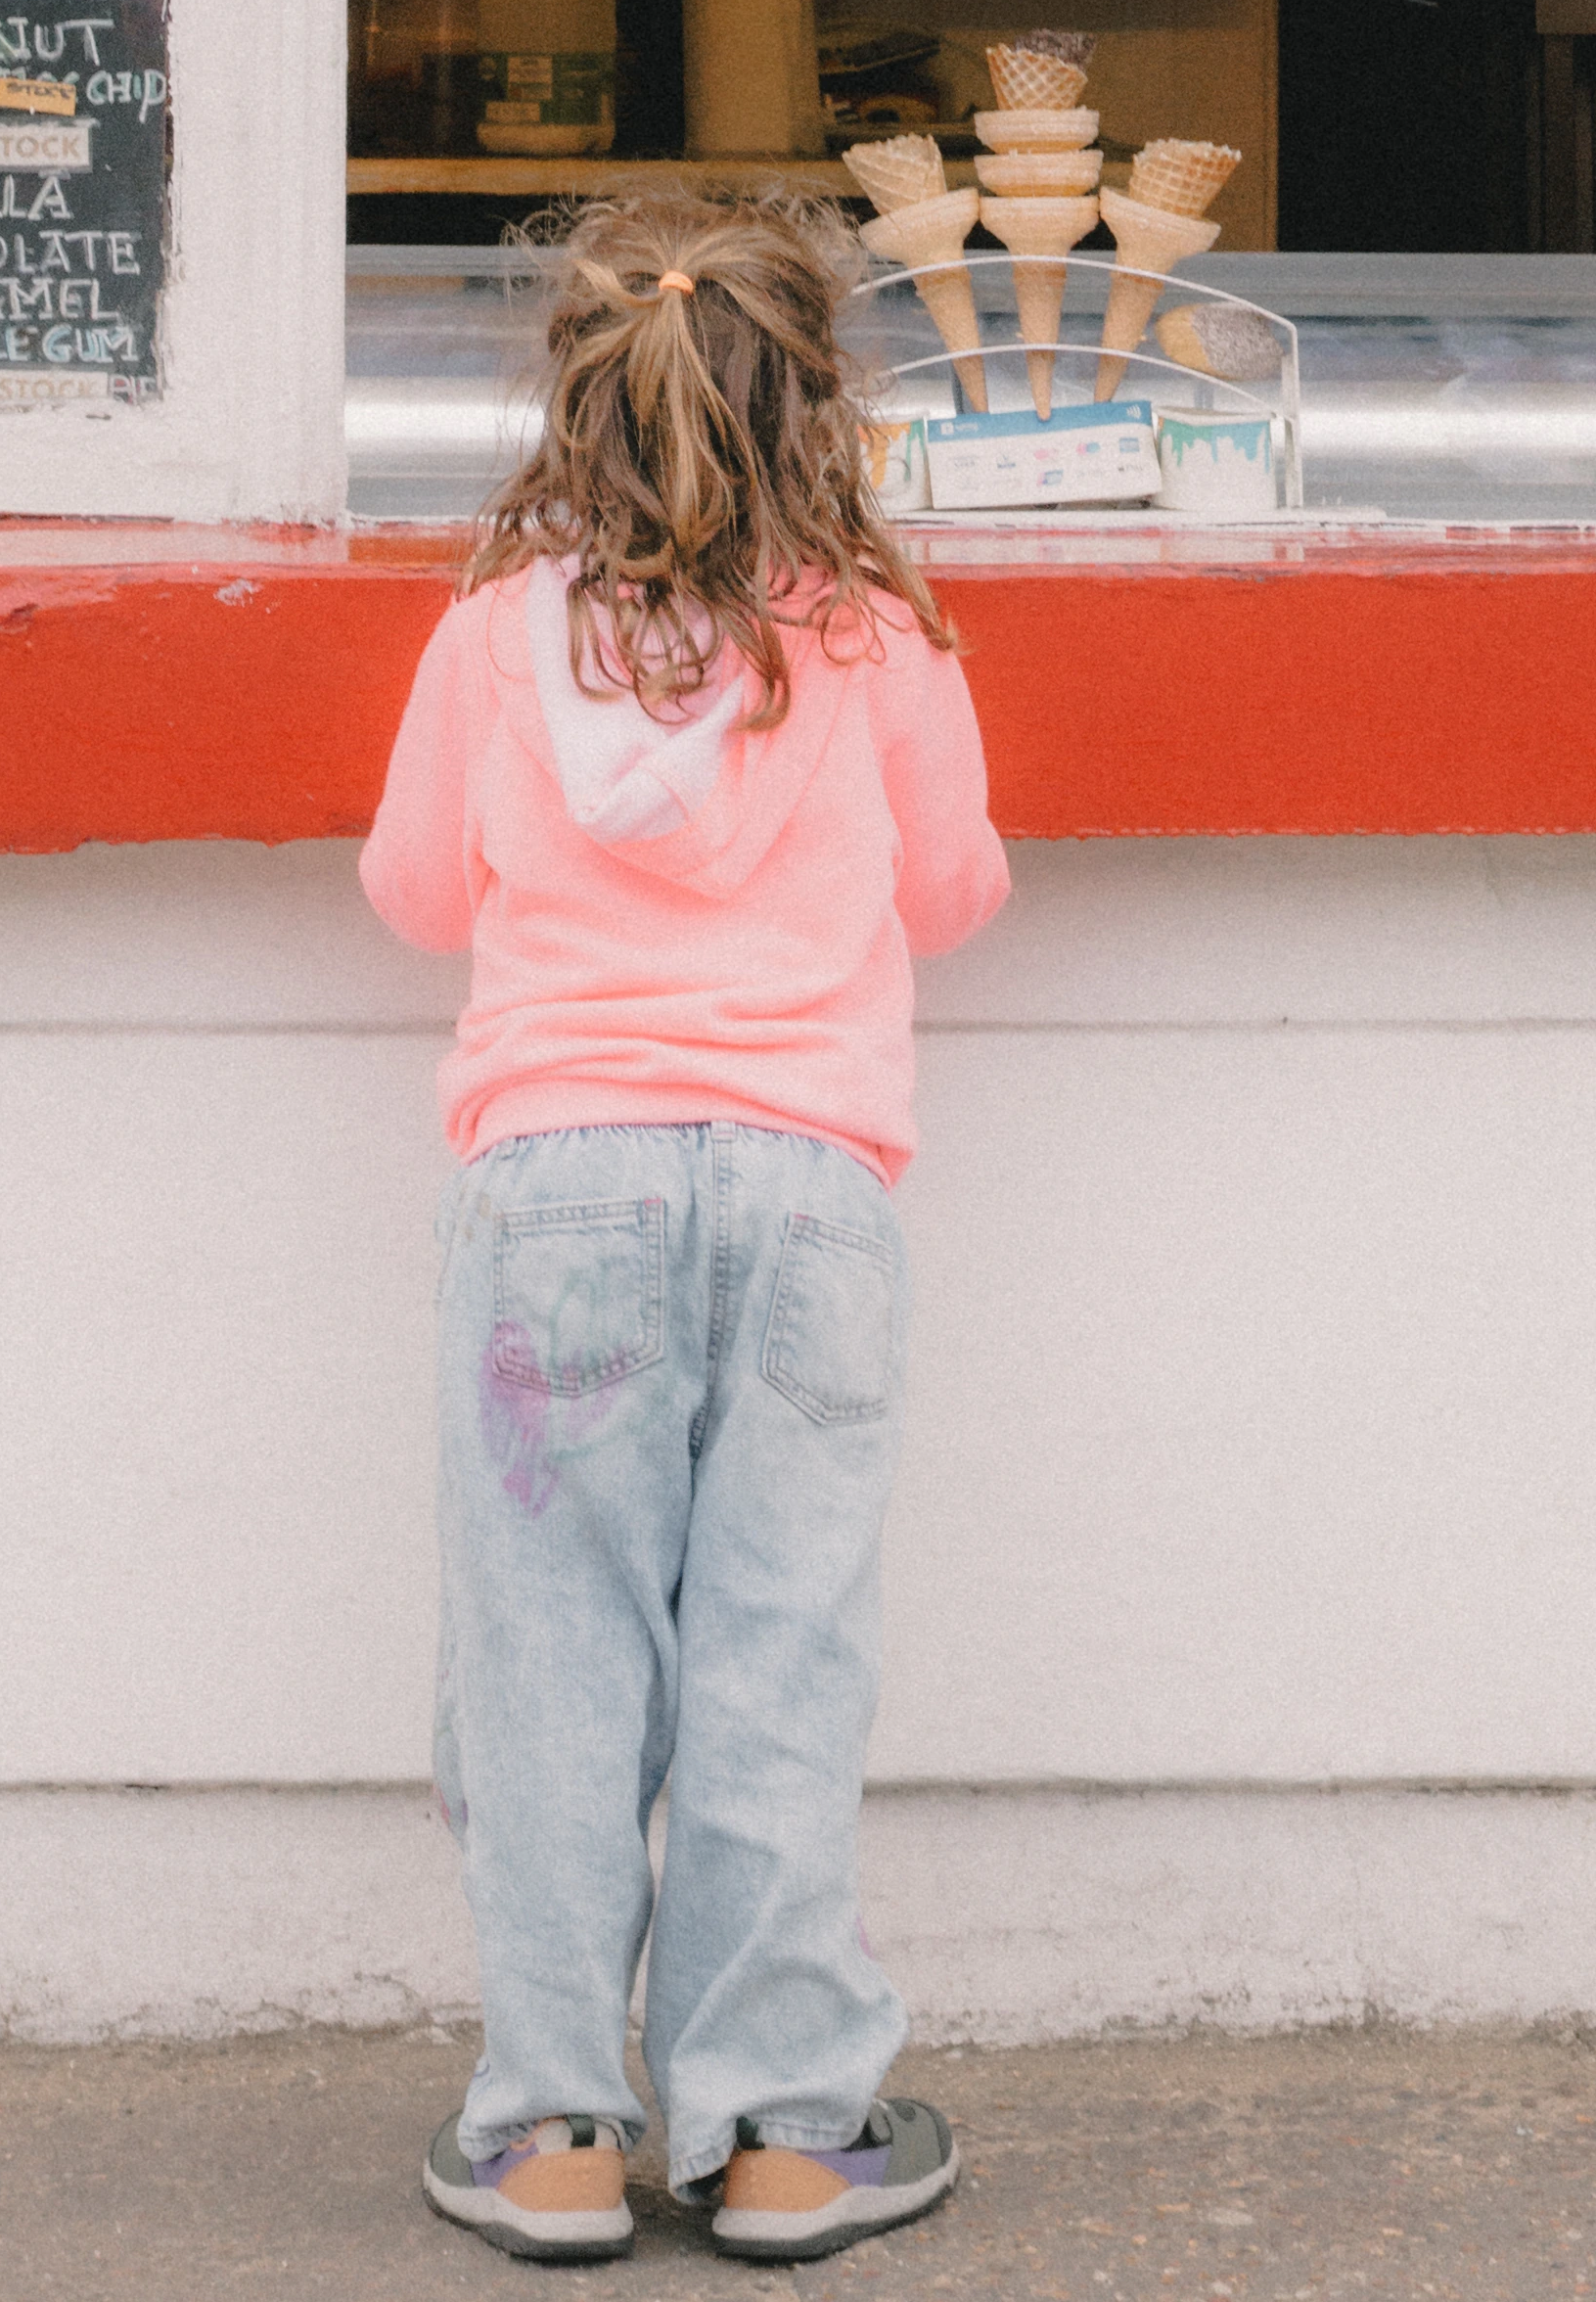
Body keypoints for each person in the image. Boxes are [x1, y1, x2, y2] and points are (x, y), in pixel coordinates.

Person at [364, 182, 1009, 2265]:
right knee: (776, 1662)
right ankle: (782, 2133)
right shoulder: (872, 632)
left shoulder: (492, 635)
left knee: (547, 1665)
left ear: (574, 401)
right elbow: (950, 893)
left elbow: (414, 893)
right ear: (817, 405)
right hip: (811, 1189)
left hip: (555, 1182)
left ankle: (553, 2127)